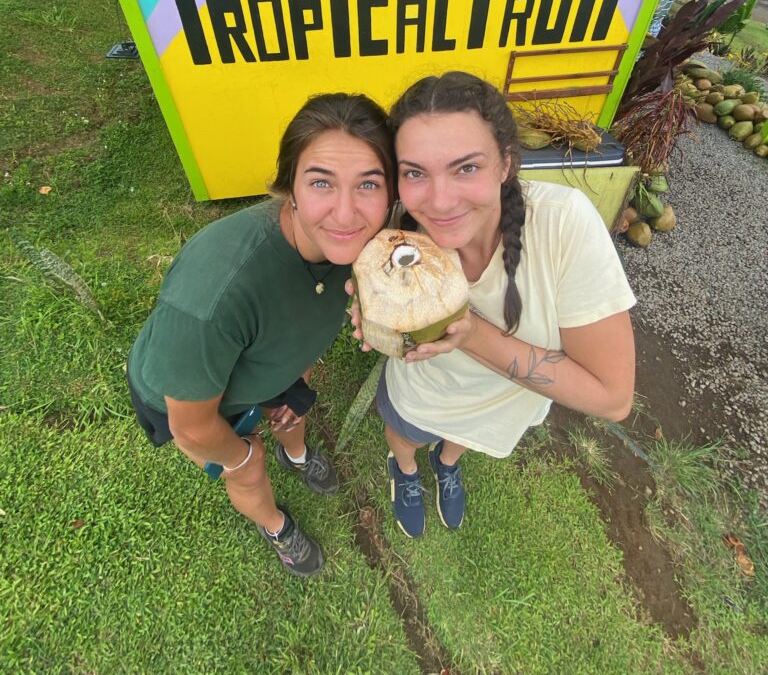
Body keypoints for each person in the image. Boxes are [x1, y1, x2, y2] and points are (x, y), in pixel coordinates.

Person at [128, 92, 394, 577]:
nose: (345, 213)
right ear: (288, 183)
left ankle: (298, 455)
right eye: (321, 182)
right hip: (197, 405)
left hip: (270, 367)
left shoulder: (362, 245)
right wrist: (239, 453)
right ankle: (277, 527)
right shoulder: (216, 293)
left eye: (369, 184)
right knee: (248, 474)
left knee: (294, 413)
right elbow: (191, 425)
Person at [364, 71, 636, 538]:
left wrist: (467, 331)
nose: (440, 201)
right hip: (422, 395)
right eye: (415, 173)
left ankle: (447, 463)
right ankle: (406, 471)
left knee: (458, 442)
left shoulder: (562, 226)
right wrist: (373, 307)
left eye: (466, 167)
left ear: (506, 164)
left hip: (502, 403)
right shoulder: (398, 236)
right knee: (405, 434)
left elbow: (612, 398)